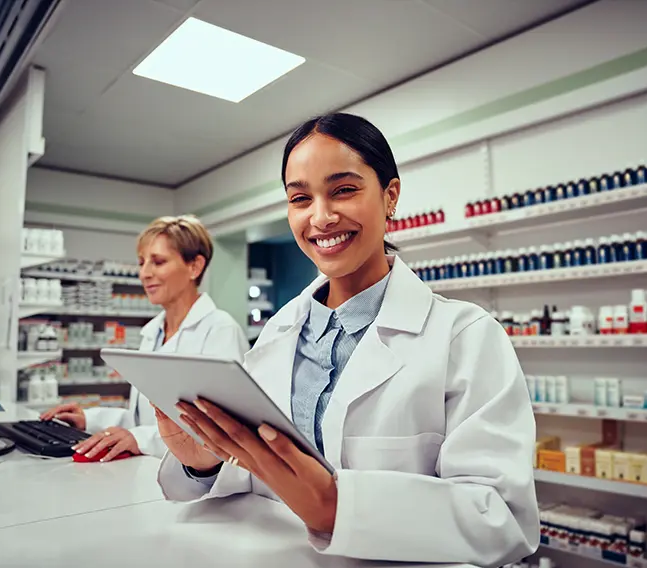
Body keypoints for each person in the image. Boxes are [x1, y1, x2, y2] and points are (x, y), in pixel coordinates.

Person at [155, 114, 539, 565]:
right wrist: (202, 461)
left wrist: (338, 507)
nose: (320, 216)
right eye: (300, 198)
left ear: (390, 195)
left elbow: (502, 520)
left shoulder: (466, 337)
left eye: (343, 189)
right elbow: (253, 484)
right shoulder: (276, 335)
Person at [40, 215, 248, 462]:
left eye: (158, 262)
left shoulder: (220, 330)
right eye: (141, 262)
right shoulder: (153, 333)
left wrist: (141, 439)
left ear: (195, 266)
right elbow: (142, 419)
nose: (144, 273)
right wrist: (89, 419)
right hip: (145, 470)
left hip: (194, 479)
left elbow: (220, 429)